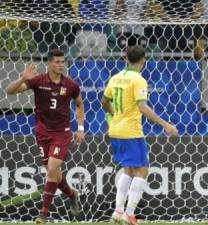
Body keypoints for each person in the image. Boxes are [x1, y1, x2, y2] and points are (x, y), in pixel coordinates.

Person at [101, 46, 179, 225]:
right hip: (131, 131)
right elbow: (142, 107)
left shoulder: (116, 77)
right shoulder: (139, 80)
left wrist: (114, 115)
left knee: (129, 169)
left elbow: (104, 101)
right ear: (143, 60)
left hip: (116, 130)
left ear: (125, 58)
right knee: (143, 170)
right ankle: (128, 214)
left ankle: (118, 212)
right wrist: (166, 125)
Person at [6, 48, 85, 223]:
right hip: (42, 133)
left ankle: (43, 213)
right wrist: (22, 78)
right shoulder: (38, 81)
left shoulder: (70, 85)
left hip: (62, 133)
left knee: (51, 169)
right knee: (54, 173)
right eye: (57, 62)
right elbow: (9, 91)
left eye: (63, 61)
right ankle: (72, 194)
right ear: (49, 63)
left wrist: (80, 128)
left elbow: (80, 105)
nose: (61, 65)